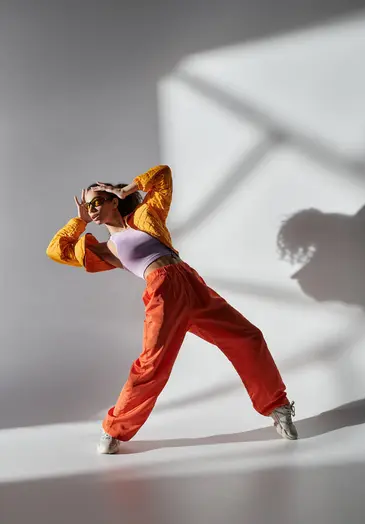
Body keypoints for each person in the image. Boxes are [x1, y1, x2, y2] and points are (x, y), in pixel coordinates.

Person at [47, 164, 298, 453]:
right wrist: (78, 222)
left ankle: (277, 407)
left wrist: (127, 188)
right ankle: (115, 429)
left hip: (191, 283)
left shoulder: (144, 215)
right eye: (87, 205)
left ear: (112, 201)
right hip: (162, 293)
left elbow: (162, 175)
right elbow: (56, 250)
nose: (91, 209)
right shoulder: (103, 249)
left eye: (95, 202)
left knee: (248, 337)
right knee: (152, 365)